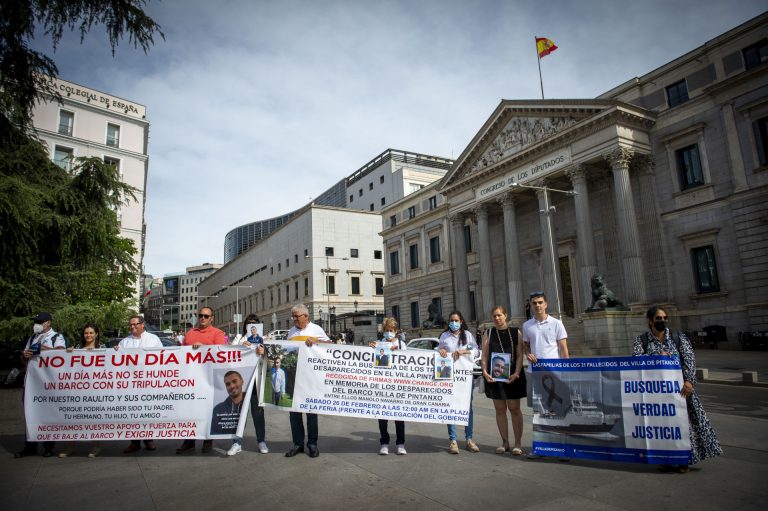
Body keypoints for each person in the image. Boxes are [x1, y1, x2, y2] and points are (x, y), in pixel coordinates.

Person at [633, 305, 722, 473]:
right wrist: (657, 357)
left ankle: (684, 460)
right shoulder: (642, 340)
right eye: (659, 318)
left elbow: (689, 359)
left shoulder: (677, 338)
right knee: (662, 427)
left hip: (680, 390)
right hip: (656, 393)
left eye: (665, 318)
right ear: (650, 321)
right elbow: (636, 360)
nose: (663, 321)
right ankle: (666, 459)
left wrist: (689, 381)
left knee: (683, 425)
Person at [522, 291, 569, 460]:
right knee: (537, 412)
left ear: (546, 304)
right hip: (534, 373)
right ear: (531, 305)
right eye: (534, 303)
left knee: (557, 411)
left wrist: (566, 372)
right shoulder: (527, 325)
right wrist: (528, 353)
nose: (537, 305)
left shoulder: (556, 324)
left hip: (554, 373)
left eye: (540, 302)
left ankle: (562, 448)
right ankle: (539, 447)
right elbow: (526, 346)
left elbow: (564, 350)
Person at [176, 306, 228, 454]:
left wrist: (204, 347)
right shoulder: (190, 333)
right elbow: (182, 354)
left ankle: (207, 440)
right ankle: (189, 441)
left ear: (212, 318)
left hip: (208, 379)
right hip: (191, 379)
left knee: (207, 411)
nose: (203, 318)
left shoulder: (218, 333)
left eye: (206, 316)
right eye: (201, 315)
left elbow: (221, 353)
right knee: (190, 411)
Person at [15, 312, 67, 458]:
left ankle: (49, 446)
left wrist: (44, 349)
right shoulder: (32, 338)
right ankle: (30, 445)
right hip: (32, 383)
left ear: (48, 323)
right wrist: (24, 356)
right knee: (29, 412)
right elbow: (24, 359)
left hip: (48, 383)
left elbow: (61, 354)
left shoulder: (57, 337)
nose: (37, 324)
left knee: (48, 413)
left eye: (40, 321)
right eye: (36, 321)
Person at [285, 303, 330, 458]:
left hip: (311, 378)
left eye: (296, 316)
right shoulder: (291, 332)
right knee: (294, 413)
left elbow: (331, 347)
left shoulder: (317, 329)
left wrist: (317, 341)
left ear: (306, 316)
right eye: (293, 316)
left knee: (311, 413)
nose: (294, 319)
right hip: (294, 377)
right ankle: (298, 443)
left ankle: (312, 444)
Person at [482, 306, 526, 456]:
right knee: (500, 410)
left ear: (505, 315)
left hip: (513, 375)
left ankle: (518, 443)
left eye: (499, 315)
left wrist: (517, 372)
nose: (497, 318)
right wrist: (485, 371)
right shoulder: (488, 333)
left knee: (514, 409)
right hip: (495, 376)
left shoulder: (516, 332)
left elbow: (520, 354)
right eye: (494, 316)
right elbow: (485, 356)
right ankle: (505, 442)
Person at [116, 315, 162, 454]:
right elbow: (118, 360)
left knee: (147, 412)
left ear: (142, 325)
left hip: (148, 383)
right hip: (131, 384)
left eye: (135, 324)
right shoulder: (124, 342)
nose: (132, 327)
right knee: (133, 413)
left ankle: (148, 439)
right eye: (130, 325)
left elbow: (161, 358)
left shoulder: (153, 339)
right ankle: (134, 442)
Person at [60, 323, 105, 458]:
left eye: (91, 333)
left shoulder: (103, 349)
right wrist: (67, 354)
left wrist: (116, 350)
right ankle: (70, 446)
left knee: (94, 419)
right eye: (86, 333)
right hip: (79, 390)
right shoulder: (78, 349)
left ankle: (96, 446)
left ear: (96, 334)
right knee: (73, 418)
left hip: (96, 390)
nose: (88, 335)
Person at [438, 310, 480, 454]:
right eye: (451, 320)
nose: (453, 323)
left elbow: (476, 350)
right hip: (450, 377)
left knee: (467, 408)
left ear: (461, 321)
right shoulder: (444, 336)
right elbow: (439, 351)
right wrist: (441, 351)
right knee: (451, 407)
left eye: (456, 320)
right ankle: (453, 440)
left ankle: (469, 439)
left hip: (465, 378)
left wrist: (463, 351)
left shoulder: (467, 335)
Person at [228, 314, 269, 456]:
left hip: (256, 381)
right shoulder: (239, 338)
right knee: (239, 414)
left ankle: (261, 440)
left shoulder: (263, 339)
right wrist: (241, 346)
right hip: (242, 383)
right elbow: (230, 354)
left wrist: (263, 352)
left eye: (255, 323)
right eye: (249, 323)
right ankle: (236, 442)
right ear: (245, 325)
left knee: (258, 413)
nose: (252, 325)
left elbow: (267, 360)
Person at [368, 317, 407, 455]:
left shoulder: (402, 344)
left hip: (397, 384)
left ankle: (400, 443)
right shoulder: (380, 344)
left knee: (399, 416)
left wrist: (398, 352)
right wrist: (370, 347)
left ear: (395, 331)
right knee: (382, 415)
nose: (388, 333)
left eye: (391, 330)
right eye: (386, 331)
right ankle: (384, 442)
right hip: (383, 385)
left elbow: (408, 362)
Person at [210, 370, 245, 434]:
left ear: (242, 381)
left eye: (234, 381)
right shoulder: (218, 409)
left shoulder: (252, 403)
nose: (232, 386)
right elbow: (214, 432)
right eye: (228, 384)